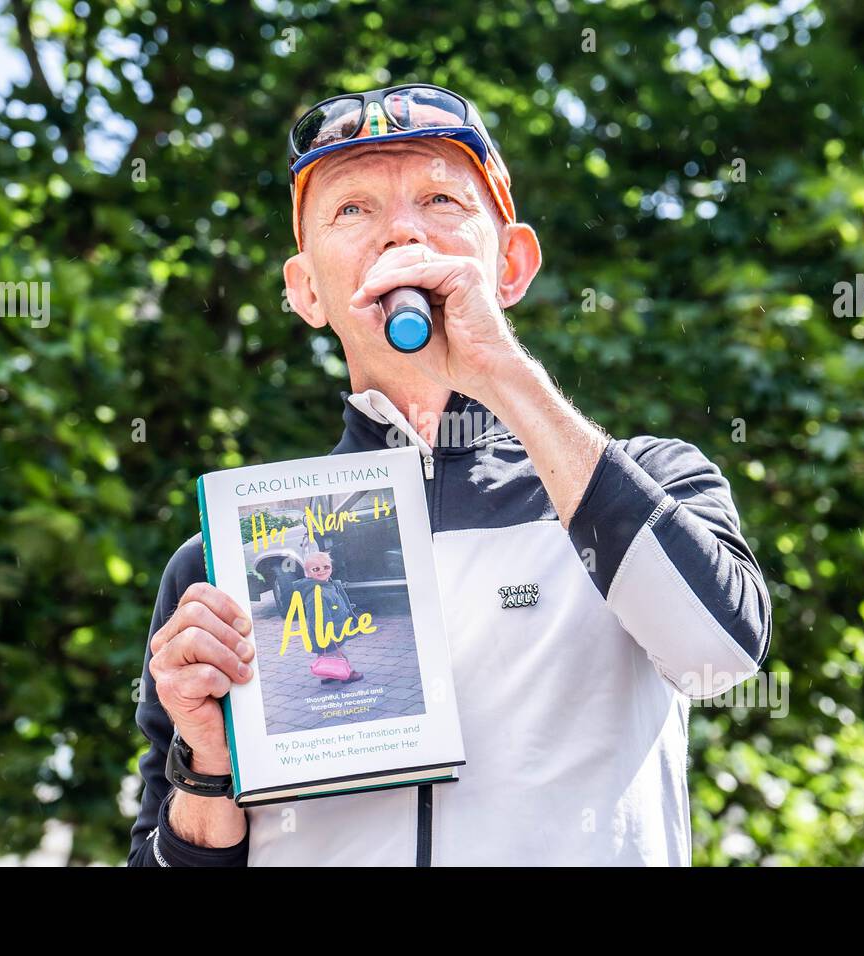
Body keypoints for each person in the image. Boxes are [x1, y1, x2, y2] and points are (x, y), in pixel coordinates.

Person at [129, 82, 772, 866]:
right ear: (305, 291)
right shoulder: (224, 559)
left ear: (514, 265)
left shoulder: (651, 479)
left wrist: (499, 369)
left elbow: (721, 659)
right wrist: (206, 766)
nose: (402, 232)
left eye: (440, 199)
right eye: (351, 210)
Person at [289, 551, 365, 685]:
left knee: (325, 653)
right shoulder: (316, 593)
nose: (322, 571)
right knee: (339, 652)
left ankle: (327, 674)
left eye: (326, 567)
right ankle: (348, 674)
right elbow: (317, 617)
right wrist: (326, 634)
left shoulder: (326, 585)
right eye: (316, 569)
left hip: (332, 629)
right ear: (308, 573)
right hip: (328, 632)